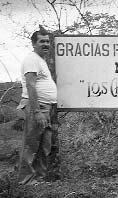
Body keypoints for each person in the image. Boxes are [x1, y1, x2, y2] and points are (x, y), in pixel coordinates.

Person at [17, 30, 57, 185]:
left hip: (46, 107)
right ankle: (25, 182)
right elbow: (31, 85)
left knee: (44, 146)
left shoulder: (40, 60)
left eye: (47, 41)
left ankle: (39, 179)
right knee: (31, 144)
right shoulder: (32, 59)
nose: (46, 44)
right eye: (42, 41)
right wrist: (37, 112)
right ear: (34, 44)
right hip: (38, 107)